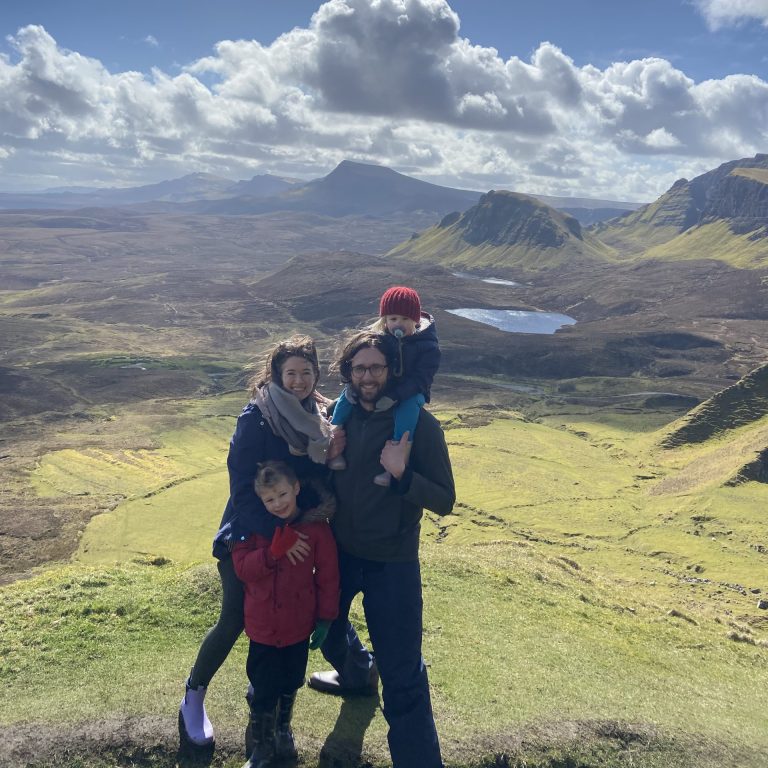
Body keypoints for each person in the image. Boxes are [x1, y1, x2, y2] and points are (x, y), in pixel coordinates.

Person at [179, 335, 343, 748]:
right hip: (250, 535)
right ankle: (193, 699)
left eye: (307, 372)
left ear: (316, 375)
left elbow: (319, 477)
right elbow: (241, 489)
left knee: (289, 616)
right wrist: (278, 537)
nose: (300, 381)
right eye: (291, 373)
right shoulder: (257, 417)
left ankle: (268, 713)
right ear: (276, 375)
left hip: (297, 535)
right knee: (234, 618)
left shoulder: (319, 415)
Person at [308, 330, 455, 768]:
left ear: (392, 369)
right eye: (359, 367)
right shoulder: (338, 416)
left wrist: (403, 475)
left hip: (393, 561)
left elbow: (445, 500)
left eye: (376, 367)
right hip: (341, 552)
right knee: (326, 630)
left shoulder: (420, 426)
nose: (368, 376)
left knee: (403, 672)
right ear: (348, 372)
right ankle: (356, 674)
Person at [232, 461, 339, 768]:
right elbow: (243, 569)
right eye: (269, 499)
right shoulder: (252, 526)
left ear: (296, 488)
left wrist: (326, 617)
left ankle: (283, 731)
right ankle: (261, 749)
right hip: (263, 626)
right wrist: (272, 552)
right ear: (259, 500)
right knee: (263, 687)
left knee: (291, 680)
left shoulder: (316, 528)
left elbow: (328, 575)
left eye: (282, 494)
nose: (277, 504)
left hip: (297, 625)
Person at [329, 286, 441, 486]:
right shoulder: (383, 339)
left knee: (407, 411)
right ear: (385, 320)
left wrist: (396, 395)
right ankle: (333, 439)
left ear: (415, 320)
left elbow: (421, 379)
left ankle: (395, 466)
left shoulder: (428, 346)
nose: (399, 323)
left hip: (412, 392)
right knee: (346, 396)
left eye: (406, 319)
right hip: (389, 390)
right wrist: (352, 387)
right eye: (394, 318)